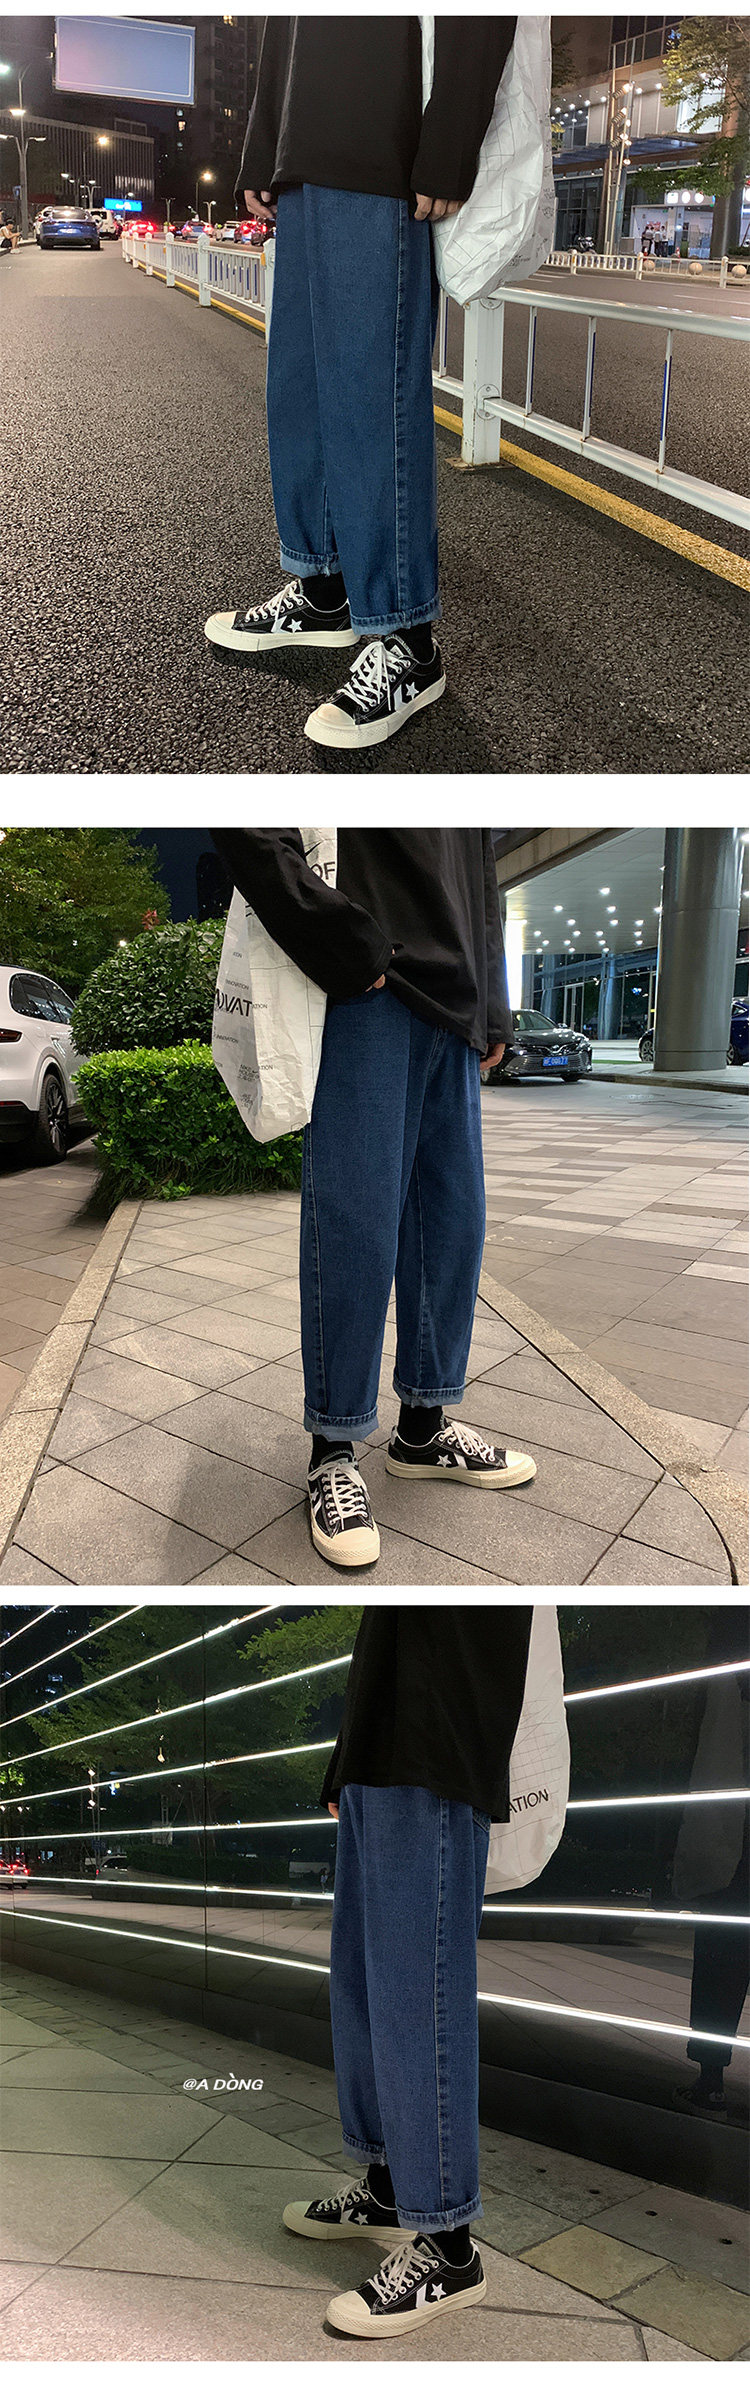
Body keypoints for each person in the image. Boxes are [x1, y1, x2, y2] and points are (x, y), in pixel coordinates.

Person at [212, 827, 537, 1571]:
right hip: (369, 987)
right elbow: (244, 822)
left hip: (455, 1004)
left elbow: (479, 865)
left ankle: (422, 1427)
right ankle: (333, 1447)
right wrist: (341, 941)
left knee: (453, 1225)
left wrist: (493, 1001)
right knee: (355, 1226)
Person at [205, 17, 516, 749]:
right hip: (303, 156)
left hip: (384, 143)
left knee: (372, 402)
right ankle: (323, 591)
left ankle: (408, 641)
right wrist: (265, 147)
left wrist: (452, 132)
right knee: (303, 393)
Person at [283, 1605, 533, 2337]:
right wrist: (347, 1760)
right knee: (365, 1989)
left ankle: (451, 2249)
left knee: (417, 1999)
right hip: (379, 1747)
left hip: (437, 1740)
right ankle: (388, 2188)